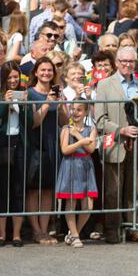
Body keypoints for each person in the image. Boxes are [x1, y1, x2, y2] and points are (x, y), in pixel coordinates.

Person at [94, 46, 138, 244]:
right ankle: (112, 229)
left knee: (134, 190)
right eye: (124, 61)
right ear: (117, 63)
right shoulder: (104, 85)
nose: (128, 65)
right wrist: (121, 130)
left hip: (137, 145)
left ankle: (133, 227)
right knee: (113, 190)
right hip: (115, 144)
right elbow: (100, 120)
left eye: (131, 61)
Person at [26, 56, 68, 245]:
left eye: (49, 70)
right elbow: (34, 122)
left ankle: (44, 229)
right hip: (36, 145)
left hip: (53, 144)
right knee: (34, 190)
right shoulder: (30, 94)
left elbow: (64, 122)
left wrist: (60, 106)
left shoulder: (58, 93)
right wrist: (47, 103)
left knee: (49, 190)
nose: (46, 73)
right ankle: (35, 230)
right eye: (42, 70)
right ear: (36, 72)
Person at [0, 61, 28, 247]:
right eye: (9, 77)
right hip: (1, 143)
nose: (13, 80)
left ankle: (17, 234)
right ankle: (1, 234)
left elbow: (28, 121)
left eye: (16, 77)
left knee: (18, 190)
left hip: (19, 143)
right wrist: (6, 102)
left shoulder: (23, 92)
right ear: (4, 78)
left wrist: (25, 104)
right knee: (1, 189)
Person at [56, 102, 98, 248]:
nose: (75, 112)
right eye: (73, 109)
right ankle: (74, 235)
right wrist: (81, 142)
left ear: (86, 112)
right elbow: (65, 149)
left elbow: (91, 148)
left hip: (86, 167)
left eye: (79, 110)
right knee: (71, 203)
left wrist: (78, 136)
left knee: (88, 206)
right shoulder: (66, 128)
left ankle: (74, 233)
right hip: (70, 165)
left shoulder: (91, 129)